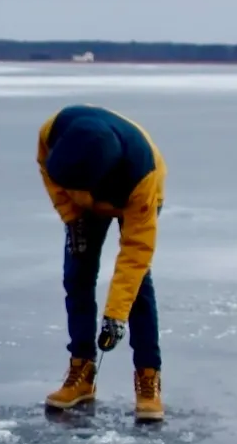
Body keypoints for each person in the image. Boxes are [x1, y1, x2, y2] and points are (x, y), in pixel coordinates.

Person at [38, 105, 166, 422]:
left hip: (133, 192)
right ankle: (82, 372)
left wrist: (115, 317)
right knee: (77, 275)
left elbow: (135, 253)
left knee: (137, 287)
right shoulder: (54, 131)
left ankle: (148, 378)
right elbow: (48, 172)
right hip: (86, 202)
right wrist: (72, 220)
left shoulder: (141, 178)